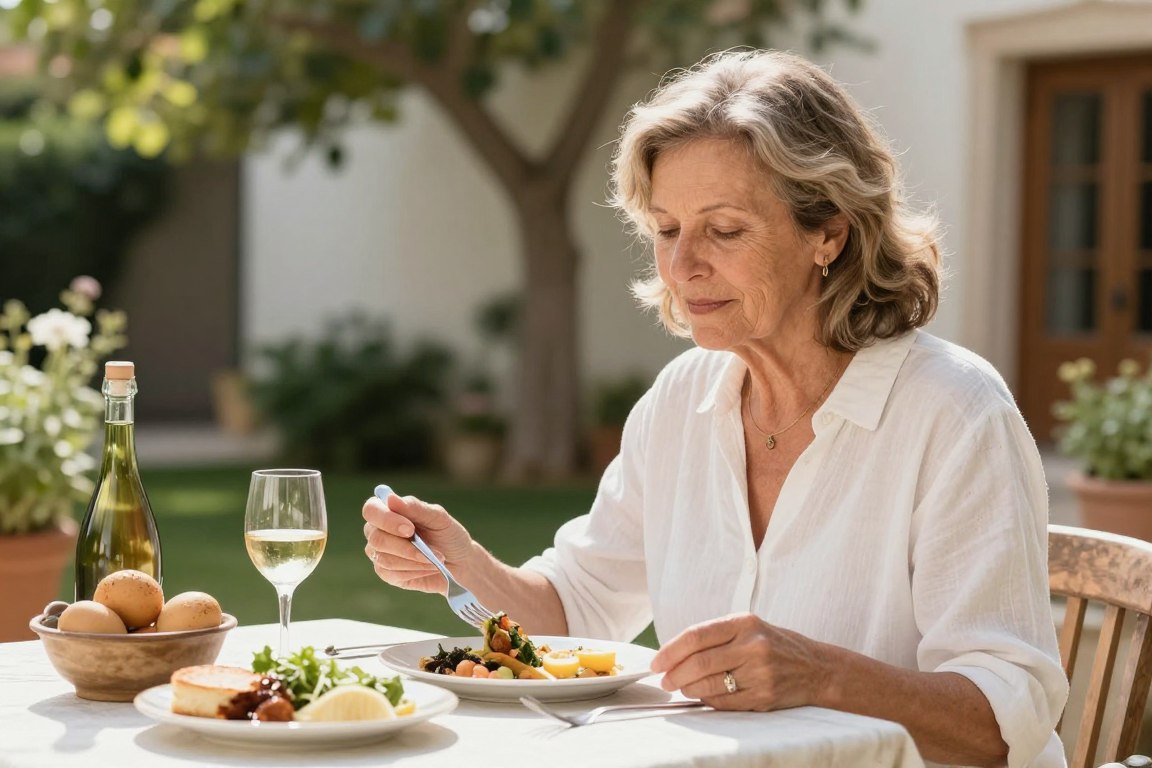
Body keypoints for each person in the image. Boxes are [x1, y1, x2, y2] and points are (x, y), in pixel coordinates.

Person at [362, 50, 1067, 768]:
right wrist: (464, 562)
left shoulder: (953, 411)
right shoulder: (681, 401)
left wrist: (821, 674)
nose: (683, 265)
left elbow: (1004, 722)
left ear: (829, 232)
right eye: (667, 230)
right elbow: (578, 612)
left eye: (724, 230)